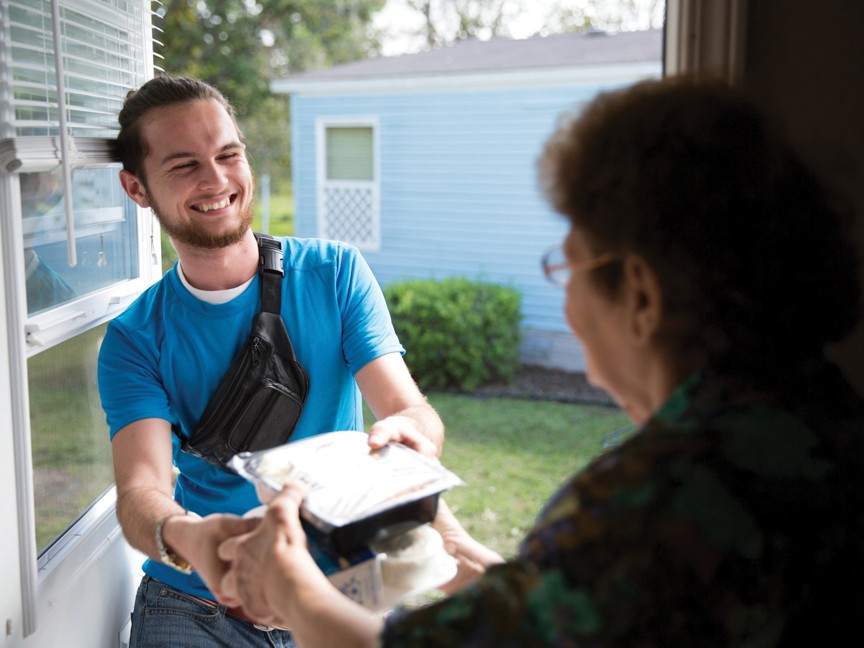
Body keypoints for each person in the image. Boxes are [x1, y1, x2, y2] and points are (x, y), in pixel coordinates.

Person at [215, 75, 864, 646]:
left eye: (570, 265)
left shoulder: (666, 493)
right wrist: (460, 552)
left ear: (640, 295)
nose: (568, 297)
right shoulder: (814, 419)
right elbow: (615, 611)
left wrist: (290, 581)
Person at [97, 74, 448, 648]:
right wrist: (196, 541)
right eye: (184, 165)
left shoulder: (335, 274)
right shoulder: (135, 339)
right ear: (137, 188)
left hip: (335, 585)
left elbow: (408, 408)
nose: (216, 180)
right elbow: (141, 493)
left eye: (228, 154)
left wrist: (411, 435)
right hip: (194, 601)